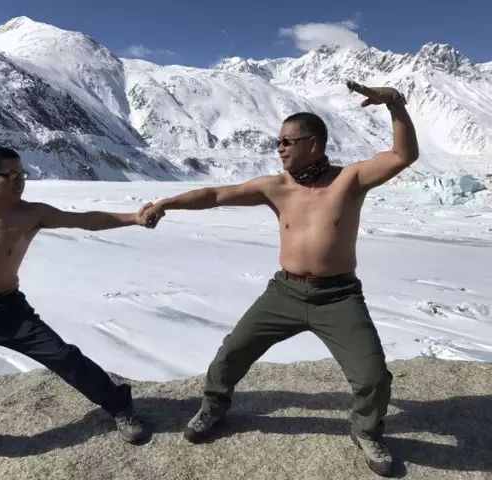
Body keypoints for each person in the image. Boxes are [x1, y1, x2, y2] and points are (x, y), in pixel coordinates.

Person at [142, 81, 418, 477]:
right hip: (285, 292)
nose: (280, 149)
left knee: (373, 377)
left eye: (288, 142)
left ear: (314, 144)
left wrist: (394, 104)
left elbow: (403, 155)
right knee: (231, 353)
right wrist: (167, 203)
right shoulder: (276, 187)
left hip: (338, 296)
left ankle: (366, 430)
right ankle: (213, 408)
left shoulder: (350, 179)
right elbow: (216, 195)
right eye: (278, 142)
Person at [0, 105, 158, 476]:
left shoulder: (31, 213)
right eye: (10, 176)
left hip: (9, 311)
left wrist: (132, 218)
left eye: (22, 174)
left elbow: (85, 220)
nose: (19, 181)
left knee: (66, 358)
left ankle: (120, 408)